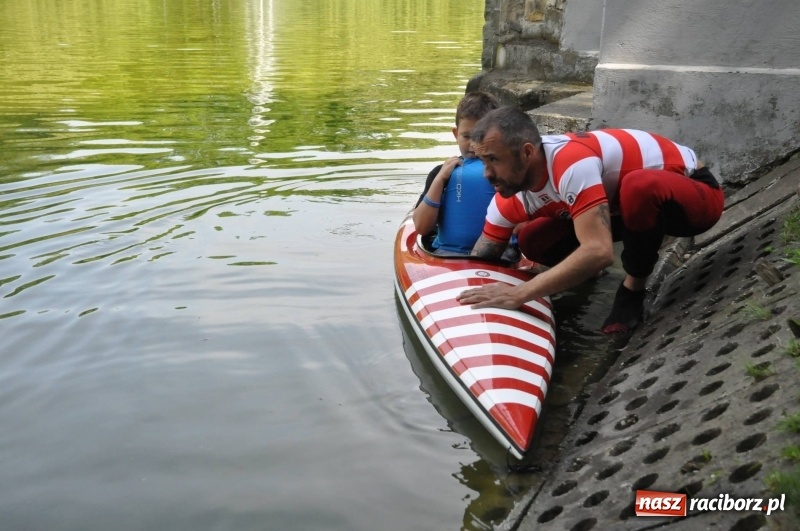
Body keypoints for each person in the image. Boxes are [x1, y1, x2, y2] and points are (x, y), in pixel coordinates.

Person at [456, 107, 724, 333]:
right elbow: (481, 260)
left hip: (695, 199)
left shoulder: (571, 164)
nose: (486, 174)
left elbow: (600, 251)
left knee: (637, 187)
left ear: (527, 153)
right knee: (532, 239)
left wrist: (519, 293)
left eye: (493, 160)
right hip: (622, 210)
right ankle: (589, 273)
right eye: (482, 161)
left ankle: (633, 289)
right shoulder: (507, 197)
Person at [412, 92, 500, 255]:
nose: (473, 144)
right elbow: (421, 228)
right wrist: (440, 180)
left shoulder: (508, 172)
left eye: (481, 137)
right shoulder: (441, 173)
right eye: (467, 136)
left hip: (499, 255)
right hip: (448, 255)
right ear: (455, 134)